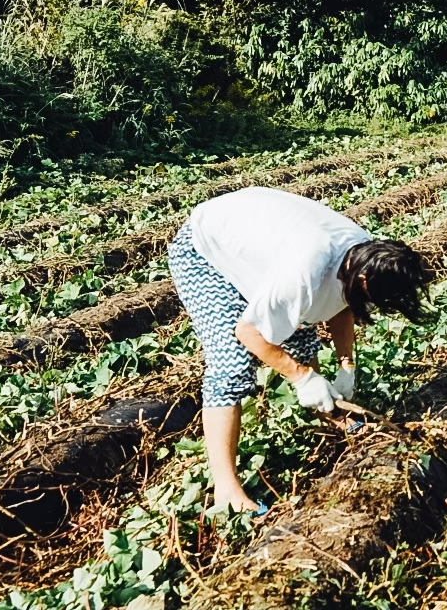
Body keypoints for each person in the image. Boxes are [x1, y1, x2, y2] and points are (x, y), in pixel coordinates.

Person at [167, 186, 428, 516]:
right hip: (205, 250)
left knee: (300, 334)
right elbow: (249, 332)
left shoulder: (362, 253)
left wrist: (346, 364)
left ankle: (330, 413)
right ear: (363, 277)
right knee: (230, 364)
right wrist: (302, 377)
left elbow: (344, 304)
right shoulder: (304, 270)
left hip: (258, 242)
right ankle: (226, 489)